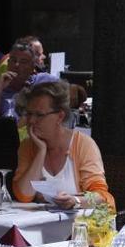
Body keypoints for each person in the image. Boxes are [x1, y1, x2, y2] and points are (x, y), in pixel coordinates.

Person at [12, 80, 114, 209]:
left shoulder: (83, 144)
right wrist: (41, 152)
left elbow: (101, 196)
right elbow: (23, 195)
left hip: (80, 224)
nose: (32, 120)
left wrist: (75, 201)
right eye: (29, 114)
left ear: (60, 116)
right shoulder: (28, 146)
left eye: (39, 115)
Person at [0, 41, 57, 119]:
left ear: (32, 67)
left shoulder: (45, 80)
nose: (17, 65)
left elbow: (70, 93)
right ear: (8, 64)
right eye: (13, 60)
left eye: (23, 62)